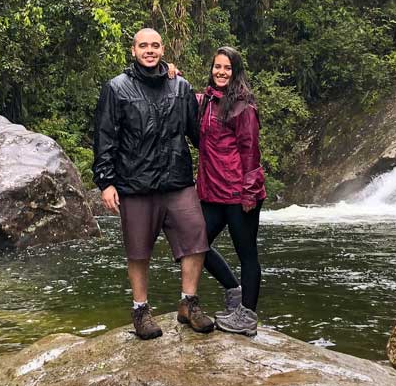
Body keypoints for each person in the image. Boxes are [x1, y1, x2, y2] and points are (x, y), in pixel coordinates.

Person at [93, 28, 215, 340]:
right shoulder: (116, 88)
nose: (150, 50)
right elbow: (106, 137)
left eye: (155, 45)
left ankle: (188, 303)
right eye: (143, 45)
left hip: (177, 180)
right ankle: (141, 310)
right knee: (138, 250)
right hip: (135, 183)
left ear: (163, 50)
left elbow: (198, 134)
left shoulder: (180, 86)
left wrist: (227, 167)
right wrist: (106, 182)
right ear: (133, 51)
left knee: (196, 237)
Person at [196, 46, 266, 336]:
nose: (221, 72)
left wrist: (250, 192)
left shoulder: (243, 107)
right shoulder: (206, 102)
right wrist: (170, 72)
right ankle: (233, 291)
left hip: (239, 194)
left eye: (227, 68)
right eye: (217, 67)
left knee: (247, 253)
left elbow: (251, 152)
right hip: (212, 193)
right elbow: (181, 91)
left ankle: (247, 316)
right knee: (194, 245)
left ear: (236, 72)